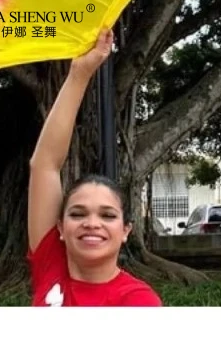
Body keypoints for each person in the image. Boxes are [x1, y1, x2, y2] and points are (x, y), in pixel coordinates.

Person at [27, 28, 162, 307]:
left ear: (126, 230)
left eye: (107, 215)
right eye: (77, 214)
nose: (91, 223)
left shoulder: (138, 301)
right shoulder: (51, 263)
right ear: (61, 228)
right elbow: (45, 164)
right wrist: (80, 74)